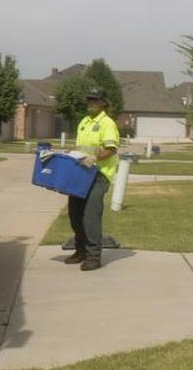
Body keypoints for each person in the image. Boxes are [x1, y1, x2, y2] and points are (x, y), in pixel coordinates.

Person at [65, 87, 120, 271]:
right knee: (74, 213)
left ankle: (94, 256)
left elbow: (111, 148)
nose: (91, 103)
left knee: (90, 215)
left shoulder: (107, 123)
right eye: (89, 100)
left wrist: (95, 158)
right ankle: (80, 250)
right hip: (81, 174)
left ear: (103, 102)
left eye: (95, 100)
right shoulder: (84, 122)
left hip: (99, 175)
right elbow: (82, 147)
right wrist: (71, 153)